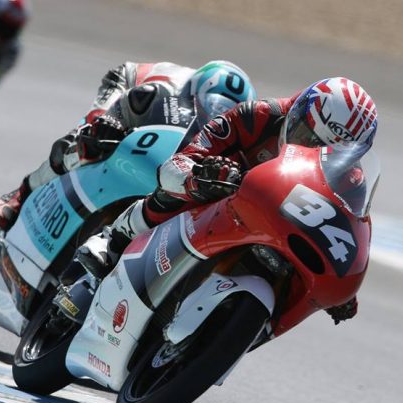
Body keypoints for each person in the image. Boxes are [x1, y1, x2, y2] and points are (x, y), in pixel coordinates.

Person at [77, 77, 379, 324]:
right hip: (217, 197)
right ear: (296, 114)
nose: (311, 152)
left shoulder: (351, 180)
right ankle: (114, 240)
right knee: (177, 188)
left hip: (275, 225)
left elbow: (347, 228)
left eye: (329, 152)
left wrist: (342, 286)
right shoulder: (256, 116)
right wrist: (199, 175)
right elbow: (175, 165)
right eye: (308, 138)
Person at [0, 60, 257, 230]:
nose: (214, 114)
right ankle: (20, 195)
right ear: (193, 94)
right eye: (210, 105)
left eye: (223, 111)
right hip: (125, 87)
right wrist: (110, 123)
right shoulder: (169, 89)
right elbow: (130, 106)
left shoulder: (230, 130)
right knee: (85, 140)